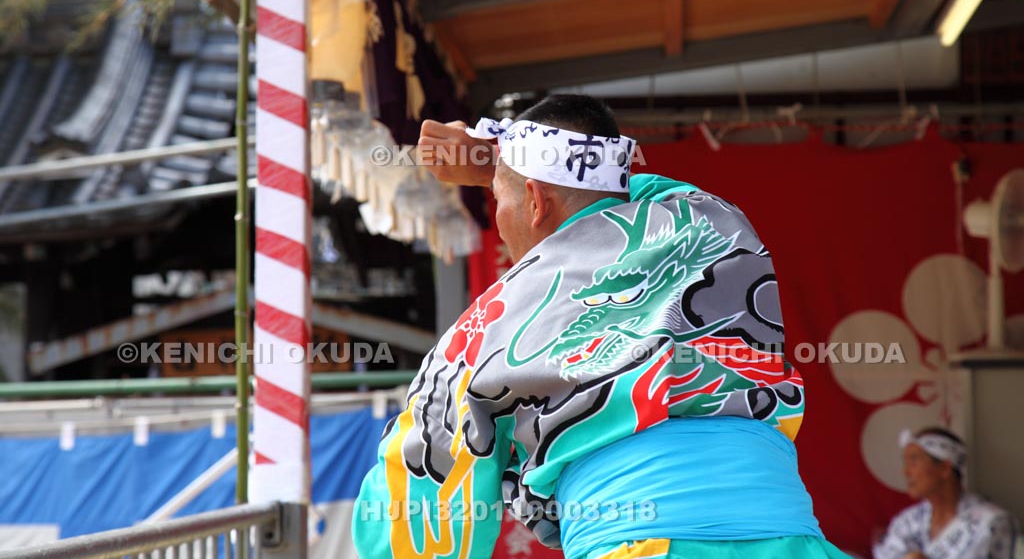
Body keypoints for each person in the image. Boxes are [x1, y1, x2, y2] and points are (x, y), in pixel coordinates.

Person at [352, 95, 848, 559]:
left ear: (534, 201)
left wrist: (504, 165)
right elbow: (620, 191)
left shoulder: (490, 324)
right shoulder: (712, 223)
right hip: (793, 542)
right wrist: (504, 164)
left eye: (497, 198)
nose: (499, 217)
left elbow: (421, 503)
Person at [873, 427, 1017, 559]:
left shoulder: (991, 523)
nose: (905, 471)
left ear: (945, 469)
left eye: (914, 461)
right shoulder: (906, 522)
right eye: (906, 462)